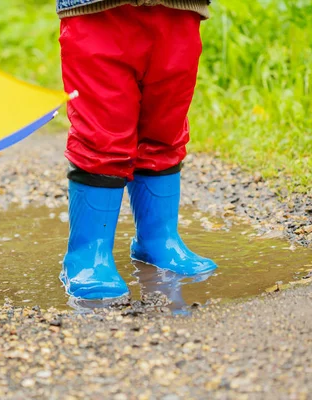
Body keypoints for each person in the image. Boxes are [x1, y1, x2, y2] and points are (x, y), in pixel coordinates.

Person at [58, 0, 217, 300]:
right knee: (101, 130)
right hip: (97, 12)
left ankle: (158, 239)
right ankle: (87, 255)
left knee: (165, 126)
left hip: (179, 9)